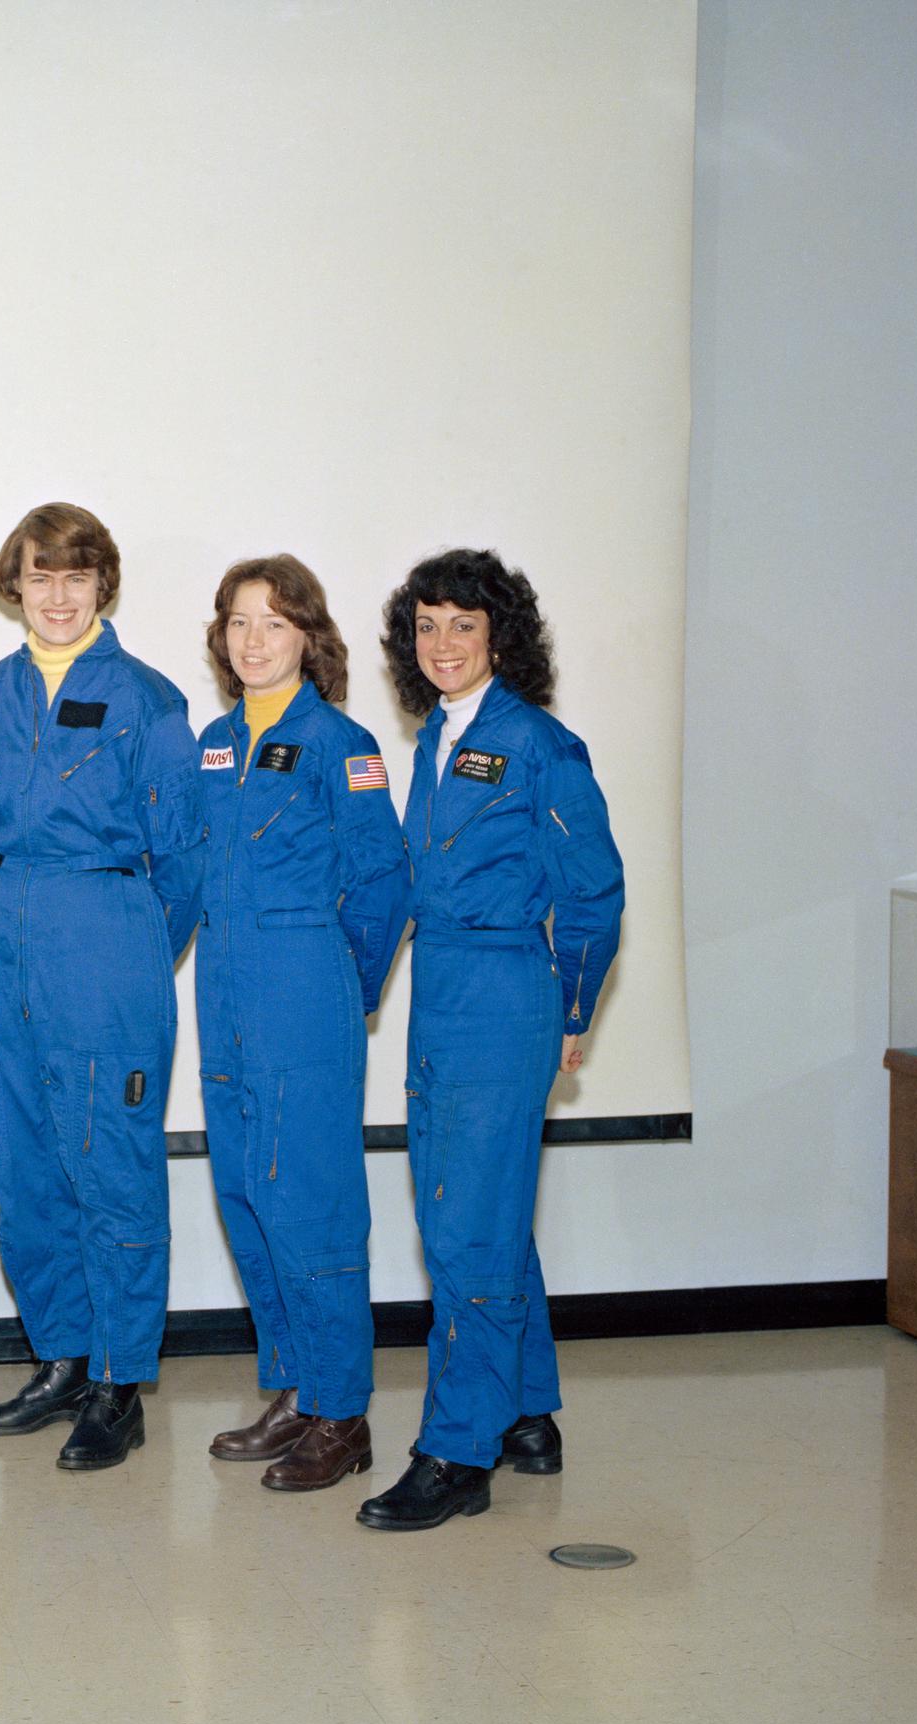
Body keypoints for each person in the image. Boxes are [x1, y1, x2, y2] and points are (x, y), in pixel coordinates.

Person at [358, 548, 624, 1531]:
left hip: (506, 991)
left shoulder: (539, 746)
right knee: (485, 1214)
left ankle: (456, 1451)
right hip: (443, 992)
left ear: (500, 637)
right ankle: (527, 1414)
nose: (442, 644)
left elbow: (594, 891)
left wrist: (570, 1008)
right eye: (426, 626)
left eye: (462, 625)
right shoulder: (436, 739)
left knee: (464, 1226)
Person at [0, 503, 204, 1468]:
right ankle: (61, 1356)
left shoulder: (149, 698)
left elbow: (181, 860)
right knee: (24, 1168)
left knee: (113, 1165)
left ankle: (119, 1379)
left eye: (76, 578)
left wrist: (130, 942)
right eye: (39, 577)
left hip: (101, 941)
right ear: (14, 585)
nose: (57, 597)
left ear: (103, 586)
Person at [196, 556, 411, 1490]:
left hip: (300, 982)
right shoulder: (211, 741)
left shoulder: (341, 741)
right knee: (245, 1190)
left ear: (308, 640)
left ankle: (343, 1410)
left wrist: (345, 989)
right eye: (239, 623)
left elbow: (382, 883)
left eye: (274, 624)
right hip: (224, 987)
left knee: (311, 1199)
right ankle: (292, 1388)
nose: (253, 641)